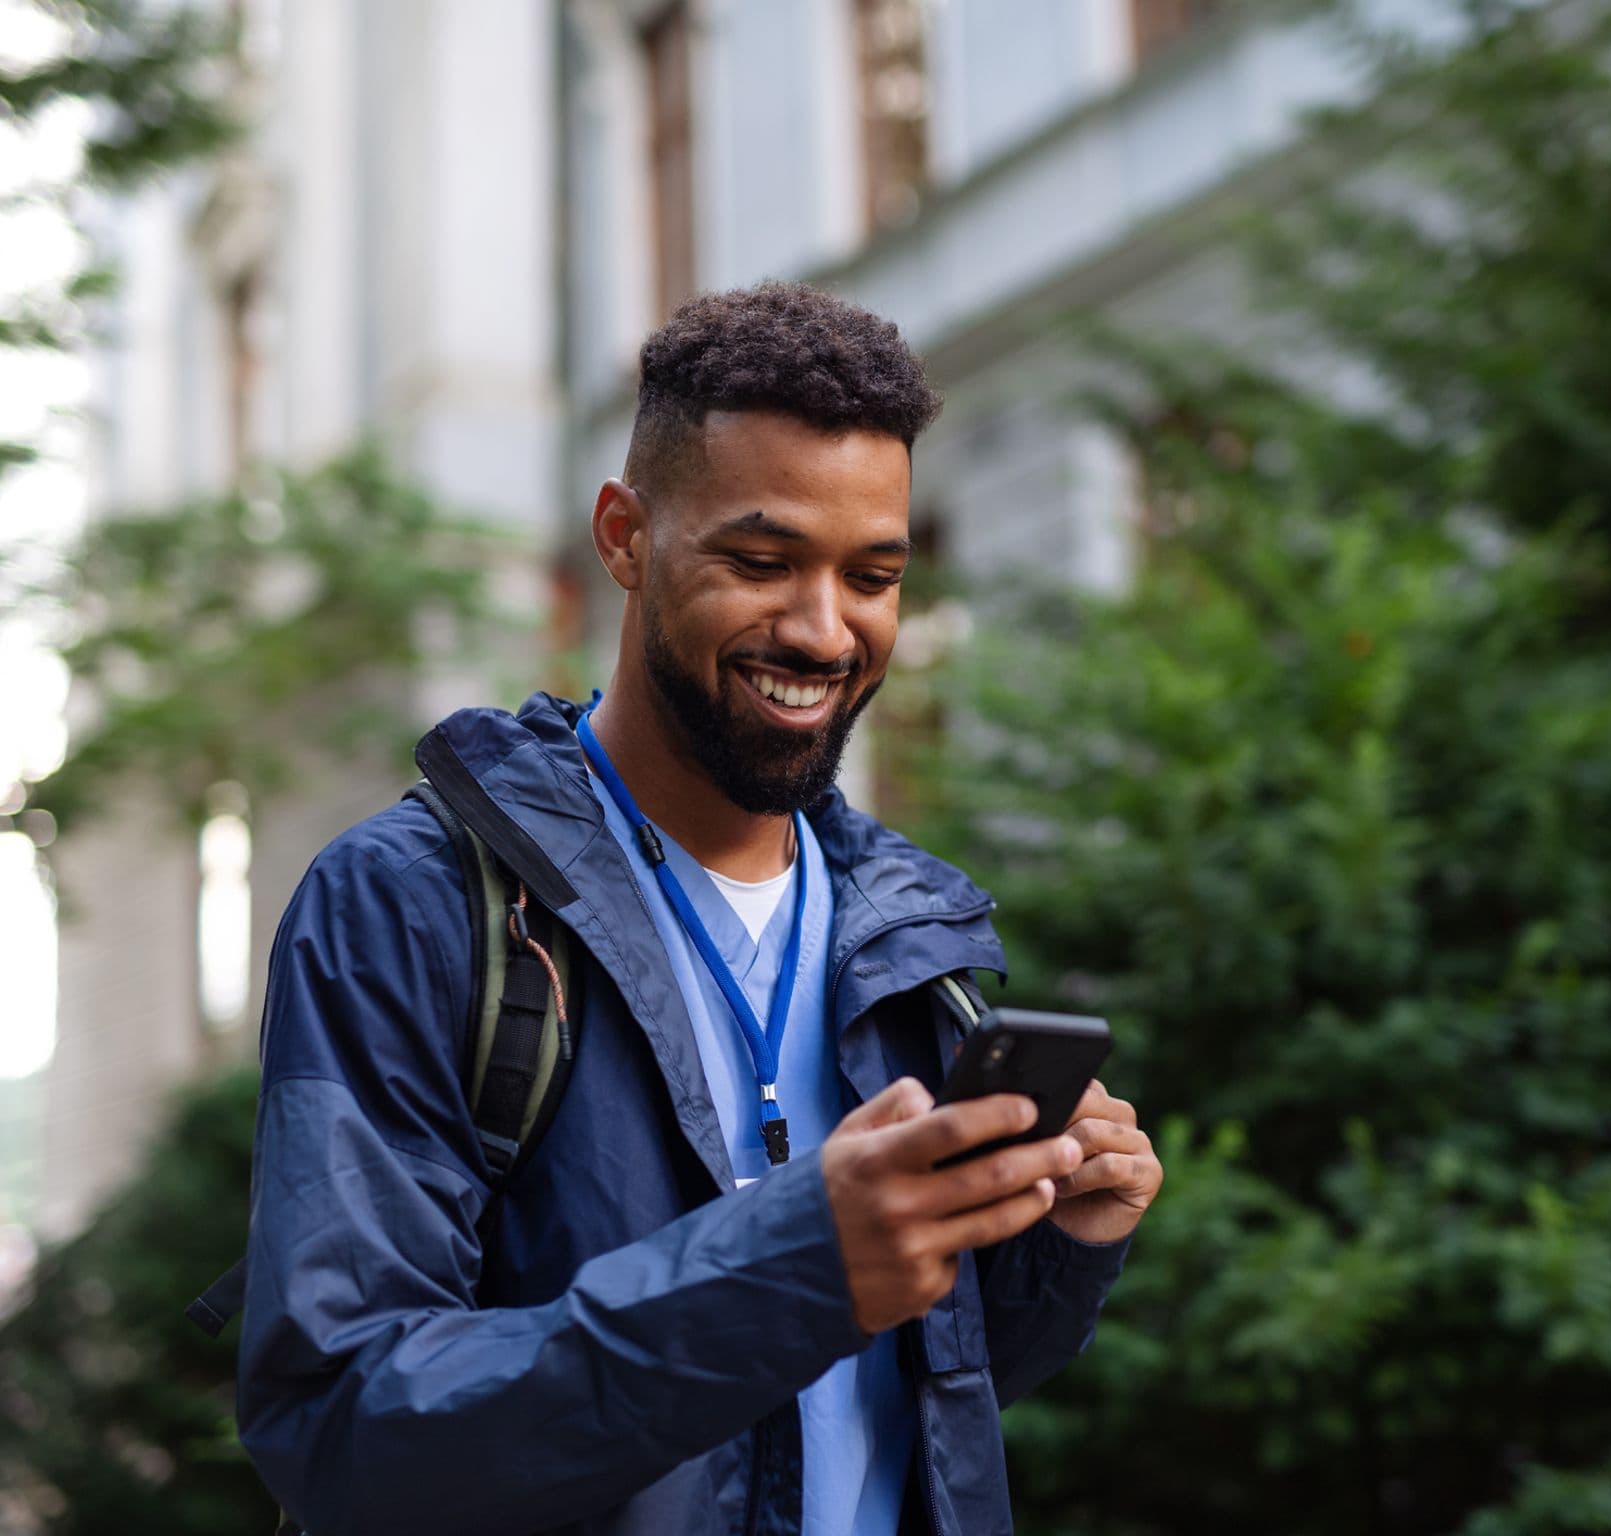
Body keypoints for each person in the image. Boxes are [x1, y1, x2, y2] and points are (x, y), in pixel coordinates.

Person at [236, 282, 1163, 1536]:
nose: (824, 630)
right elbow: (346, 1427)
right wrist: (790, 1268)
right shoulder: (411, 903)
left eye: (873, 575)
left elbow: (904, 1401)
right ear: (624, 535)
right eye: (760, 560)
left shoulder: (907, 934)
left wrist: (1056, 1246)